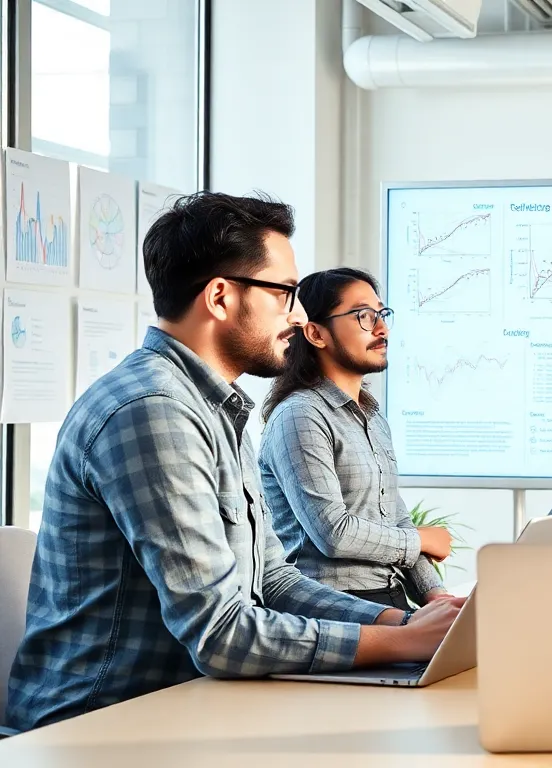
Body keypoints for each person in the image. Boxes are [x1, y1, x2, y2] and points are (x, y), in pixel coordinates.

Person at [4, 192, 462, 732]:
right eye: (285, 293)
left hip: (184, 710)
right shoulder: (153, 412)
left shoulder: (220, 407)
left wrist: (402, 620)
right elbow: (220, 635)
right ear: (220, 297)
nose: (296, 316)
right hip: (97, 728)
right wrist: (401, 641)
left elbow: (273, 579)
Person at [257, 268, 552, 611]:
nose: (382, 329)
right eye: (364, 316)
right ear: (316, 334)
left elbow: (396, 520)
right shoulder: (300, 414)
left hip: (389, 596)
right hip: (334, 604)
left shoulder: (372, 417)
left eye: (383, 315)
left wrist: (435, 595)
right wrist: (422, 540)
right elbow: (333, 533)